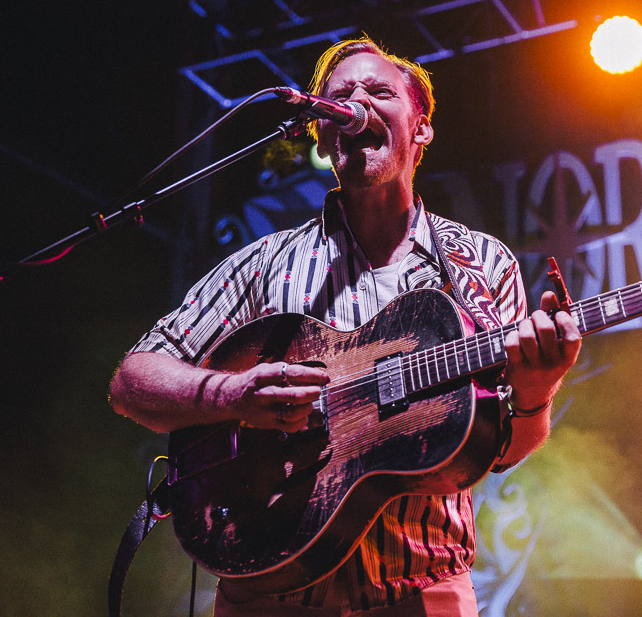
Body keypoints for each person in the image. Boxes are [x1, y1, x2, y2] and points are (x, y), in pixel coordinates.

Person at [109, 37, 581, 615]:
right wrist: (234, 394)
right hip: (268, 593)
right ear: (322, 133)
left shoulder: (481, 265)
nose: (357, 101)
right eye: (341, 95)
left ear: (421, 128)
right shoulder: (265, 264)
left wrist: (537, 388)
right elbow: (132, 380)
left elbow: (500, 450)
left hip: (423, 594)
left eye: (379, 91)